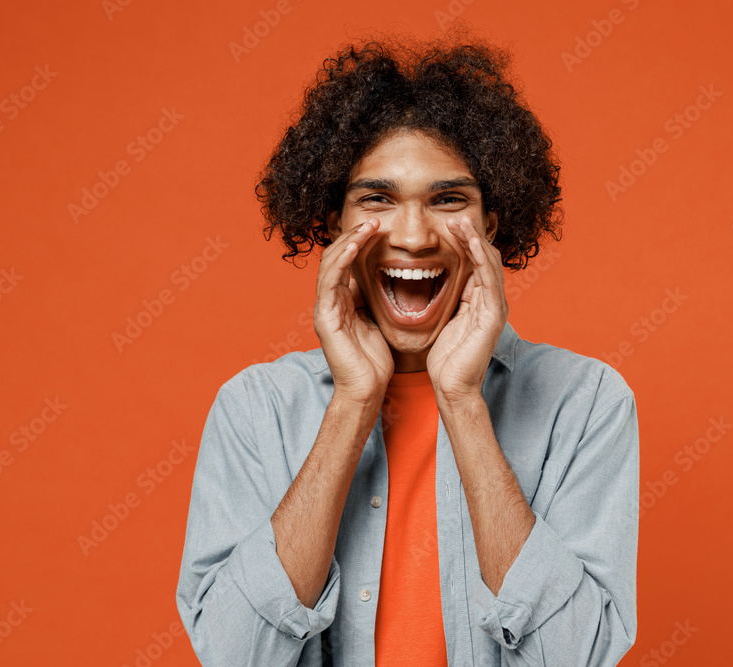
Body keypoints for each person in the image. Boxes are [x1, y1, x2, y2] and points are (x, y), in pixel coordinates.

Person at [176, 31, 639, 666]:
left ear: (490, 228)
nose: (414, 235)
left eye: (449, 200)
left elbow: (575, 656)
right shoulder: (255, 409)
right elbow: (235, 656)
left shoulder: (586, 402)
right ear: (335, 226)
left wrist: (463, 401)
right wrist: (353, 404)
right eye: (377, 199)